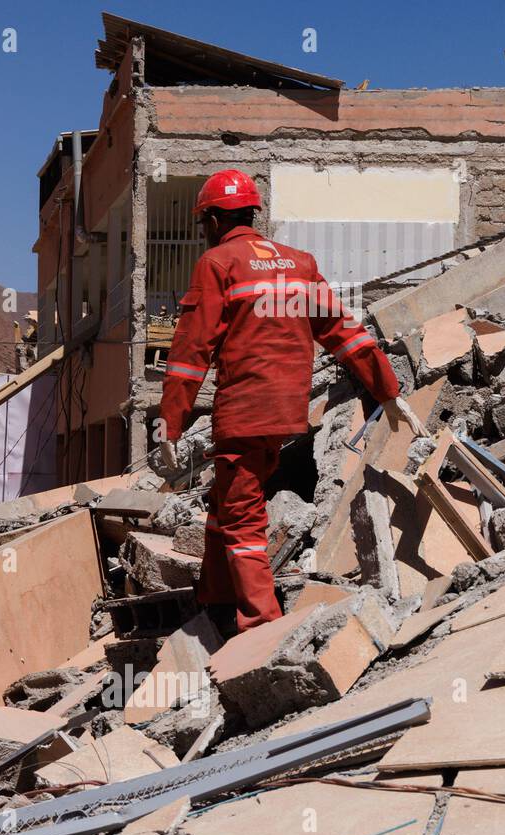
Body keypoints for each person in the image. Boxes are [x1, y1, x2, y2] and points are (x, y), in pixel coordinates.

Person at [158, 169, 426, 635]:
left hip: (243, 411)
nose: (205, 232)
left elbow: (189, 355)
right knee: (226, 501)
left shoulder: (218, 264)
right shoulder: (299, 263)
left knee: (242, 518)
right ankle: (215, 597)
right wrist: (389, 391)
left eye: (204, 223)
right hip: (287, 410)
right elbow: (344, 333)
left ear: (216, 220)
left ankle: (262, 628)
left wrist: (171, 424)